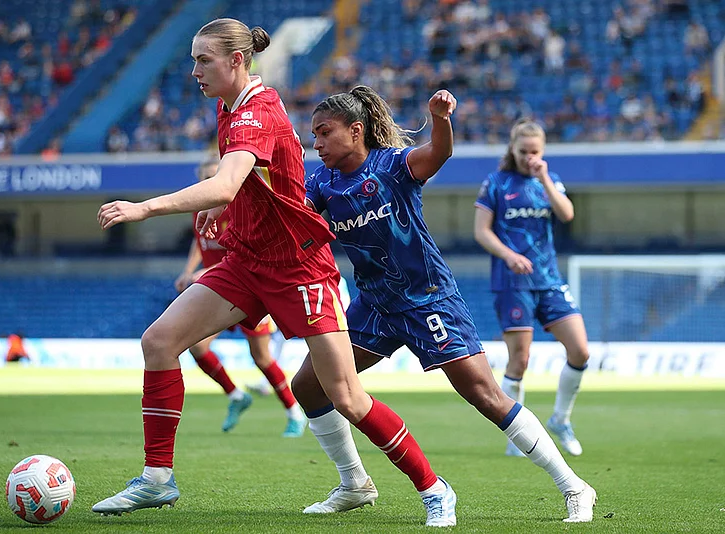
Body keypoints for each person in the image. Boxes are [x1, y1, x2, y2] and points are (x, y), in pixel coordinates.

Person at [91, 19, 456, 527]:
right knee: (159, 341)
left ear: (236, 61)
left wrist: (143, 209)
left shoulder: (254, 113)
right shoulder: (231, 106)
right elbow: (253, 182)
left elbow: (224, 183)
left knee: (346, 397)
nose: (193, 70)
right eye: (193, 59)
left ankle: (433, 488)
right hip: (247, 260)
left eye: (203, 60)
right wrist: (233, 208)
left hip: (300, 269)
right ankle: (156, 478)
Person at [292, 86, 596, 523]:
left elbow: (439, 152)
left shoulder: (393, 166)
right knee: (308, 384)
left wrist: (440, 117)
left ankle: (575, 486)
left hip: (428, 299)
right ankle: (353, 483)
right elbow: (295, 219)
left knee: (484, 394)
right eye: (313, 135)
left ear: (355, 131)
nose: (316, 143)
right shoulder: (320, 183)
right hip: (375, 304)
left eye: (324, 133)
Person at [473, 119, 590, 459]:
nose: (529, 157)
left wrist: (544, 178)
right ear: (512, 149)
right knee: (519, 360)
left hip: (549, 278)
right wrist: (509, 256)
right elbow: (482, 231)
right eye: (523, 151)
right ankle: (517, 434)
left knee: (580, 351)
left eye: (535, 152)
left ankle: (560, 419)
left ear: (543, 152)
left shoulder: (549, 181)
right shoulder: (496, 183)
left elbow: (567, 214)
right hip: (512, 282)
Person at [173, 155, 306, 437]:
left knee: (261, 358)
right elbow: (201, 241)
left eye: (214, 176)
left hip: (247, 286)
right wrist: (189, 270)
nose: (210, 182)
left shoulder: (236, 208)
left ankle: (294, 411)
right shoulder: (198, 208)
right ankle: (236, 396)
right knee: (196, 346)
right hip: (217, 289)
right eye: (205, 178)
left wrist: (206, 273)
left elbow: (242, 252)